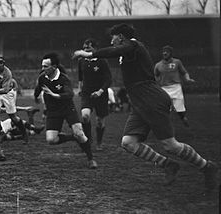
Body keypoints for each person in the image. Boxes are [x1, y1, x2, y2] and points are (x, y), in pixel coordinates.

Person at [73, 23, 217, 193]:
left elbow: (115, 51)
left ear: (121, 36)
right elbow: (117, 52)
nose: (112, 41)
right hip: (140, 102)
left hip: (152, 99)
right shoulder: (129, 48)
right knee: (128, 143)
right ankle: (168, 164)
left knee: (171, 146)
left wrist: (87, 53)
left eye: (113, 37)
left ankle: (207, 166)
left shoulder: (133, 45)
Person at [35, 53, 97, 169]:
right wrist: (36, 96)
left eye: (45, 66)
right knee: (51, 140)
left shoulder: (64, 79)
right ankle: (72, 137)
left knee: (79, 133)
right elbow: (38, 89)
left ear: (54, 67)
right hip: (53, 111)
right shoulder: (42, 77)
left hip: (68, 108)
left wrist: (55, 95)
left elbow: (70, 94)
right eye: (42, 66)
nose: (42, 69)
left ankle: (91, 159)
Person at [77, 38, 113, 151]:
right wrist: (80, 88)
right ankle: (88, 140)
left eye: (88, 48)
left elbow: (108, 79)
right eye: (84, 48)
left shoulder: (102, 61)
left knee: (99, 121)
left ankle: (99, 143)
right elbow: (80, 77)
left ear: (95, 49)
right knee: (85, 115)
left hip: (100, 94)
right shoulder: (81, 61)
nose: (85, 50)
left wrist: (100, 91)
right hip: (87, 93)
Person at [154, 45, 195, 127]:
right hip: (164, 88)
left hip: (176, 87)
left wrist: (188, 79)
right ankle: (164, 125)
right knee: (164, 108)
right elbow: (155, 75)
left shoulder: (177, 62)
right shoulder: (158, 65)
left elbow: (184, 72)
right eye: (163, 52)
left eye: (167, 52)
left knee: (179, 108)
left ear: (171, 53)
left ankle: (183, 118)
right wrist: (157, 83)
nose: (165, 53)